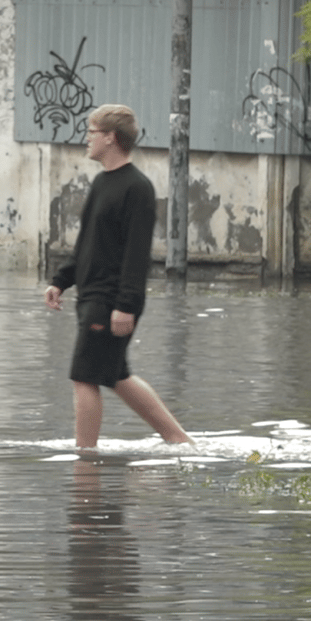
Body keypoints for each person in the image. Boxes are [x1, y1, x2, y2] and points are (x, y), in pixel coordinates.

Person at [43, 104, 193, 449]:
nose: (86, 139)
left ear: (110, 138)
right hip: (92, 296)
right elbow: (88, 245)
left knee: (84, 376)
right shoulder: (101, 183)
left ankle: (85, 457)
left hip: (111, 300)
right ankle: (179, 441)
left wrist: (125, 305)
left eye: (91, 132)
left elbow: (136, 255)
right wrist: (60, 281)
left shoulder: (136, 188)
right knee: (117, 376)